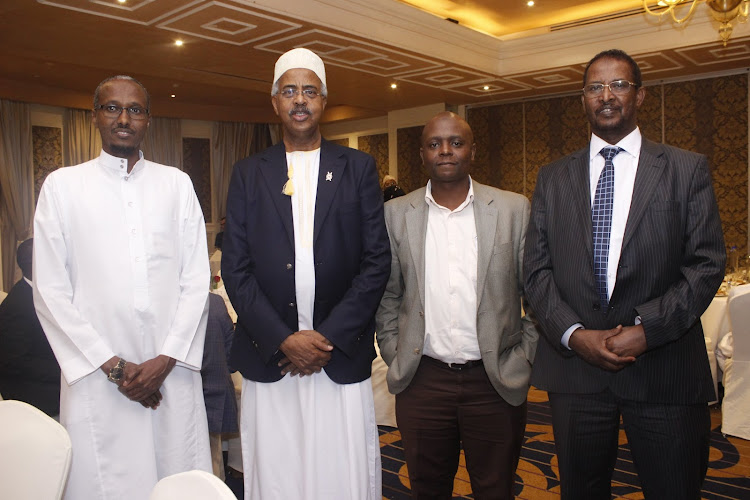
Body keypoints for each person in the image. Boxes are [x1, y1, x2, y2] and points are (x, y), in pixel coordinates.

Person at [523, 49, 726, 500]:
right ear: (583, 99)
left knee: (674, 489)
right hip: (576, 373)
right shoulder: (552, 178)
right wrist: (574, 334)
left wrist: (647, 330)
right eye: (595, 87)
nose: (607, 96)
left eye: (618, 85)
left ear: (640, 95)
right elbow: (535, 271)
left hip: (663, 368)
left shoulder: (685, 168)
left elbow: (707, 263)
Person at [222, 47, 391, 500]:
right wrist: (284, 337)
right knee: (276, 466)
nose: (300, 100)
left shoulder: (357, 168)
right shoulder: (247, 173)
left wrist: (325, 337)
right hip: (270, 352)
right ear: (274, 101)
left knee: (342, 467)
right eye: (290, 91)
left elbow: (376, 261)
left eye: (310, 91)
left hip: (338, 351)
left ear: (324, 101)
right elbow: (235, 269)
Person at [33, 75, 212, 499]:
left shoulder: (176, 184)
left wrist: (165, 361)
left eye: (135, 109)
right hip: (96, 375)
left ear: (148, 119)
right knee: (104, 483)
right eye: (113, 107)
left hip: (170, 373)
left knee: (176, 478)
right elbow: (50, 291)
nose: (124, 118)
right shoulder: (62, 187)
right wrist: (114, 366)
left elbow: (196, 280)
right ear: (95, 116)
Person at [376, 112, 538, 499]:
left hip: (496, 379)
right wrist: (394, 349)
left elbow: (536, 295)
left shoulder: (514, 210)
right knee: (428, 489)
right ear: (421, 153)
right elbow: (388, 294)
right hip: (422, 380)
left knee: (495, 489)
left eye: (455, 142)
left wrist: (524, 355)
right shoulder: (396, 215)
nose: (445, 151)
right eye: (434, 144)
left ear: (473, 150)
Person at [0, 239, 61, 417]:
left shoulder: (43, 292)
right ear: (36, 265)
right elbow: (16, 362)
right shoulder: (17, 306)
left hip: (46, 374)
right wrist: (63, 370)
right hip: (30, 391)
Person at [202, 292, 238, 481]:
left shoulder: (164, 302)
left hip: (174, 400)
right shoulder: (215, 302)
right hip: (214, 395)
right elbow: (233, 357)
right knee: (213, 467)